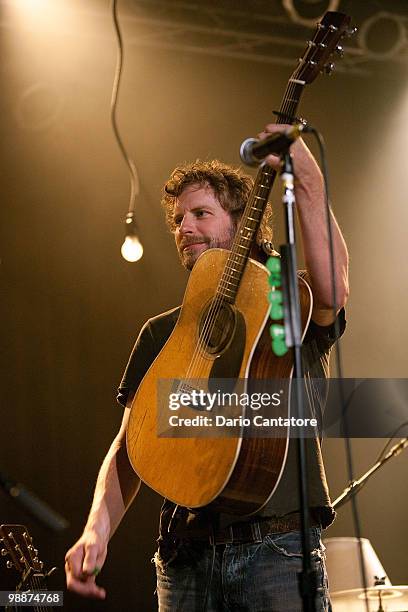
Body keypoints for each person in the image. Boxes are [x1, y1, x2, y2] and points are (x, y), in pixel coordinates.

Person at [65, 123, 349, 611]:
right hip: (185, 559)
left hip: (278, 555)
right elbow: (131, 446)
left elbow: (331, 290)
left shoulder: (283, 298)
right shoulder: (161, 332)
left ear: (242, 225)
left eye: (200, 213)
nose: (184, 228)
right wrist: (97, 528)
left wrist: (305, 177)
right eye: (178, 219)